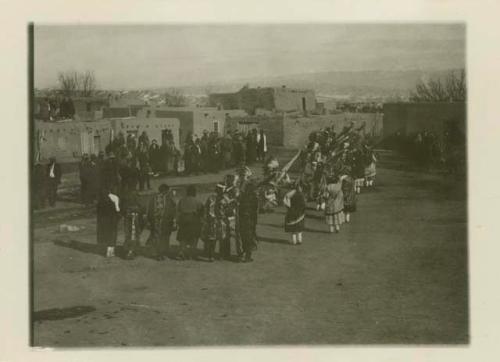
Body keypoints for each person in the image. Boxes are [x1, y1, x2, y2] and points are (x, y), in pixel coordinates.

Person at [147, 184, 177, 261]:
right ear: (166, 191)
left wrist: (150, 220)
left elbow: (150, 210)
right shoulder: (168, 199)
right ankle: (162, 253)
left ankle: (156, 253)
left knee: (156, 236)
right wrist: (173, 221)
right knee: (165, 237)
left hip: (155, 221)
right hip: (165, 221)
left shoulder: (153, 198)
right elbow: (172, 210)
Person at [176, 185, 204, 260]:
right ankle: (192, 252)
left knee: (183, 237)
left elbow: (178, 211)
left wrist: (178, 221)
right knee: (194, 236)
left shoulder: (181, 200)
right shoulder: (198, 201)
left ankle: (182, 251)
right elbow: (201, 212)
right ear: (194, 192)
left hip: (183, 220)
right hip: (193, 220)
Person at [202, 184, 228, 261]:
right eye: (220, 189)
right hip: (213, 220)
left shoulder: (225, 199)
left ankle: (220, 255)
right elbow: (206, 208)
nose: (222, 190)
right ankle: (211, 255)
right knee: (213, 238)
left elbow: (228, 209)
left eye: (222, 189)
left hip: (221, 220)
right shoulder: (211, 198)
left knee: (221, 239)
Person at [96, 186, 121, 257]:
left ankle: (106, 248)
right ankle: (110, 250)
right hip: (112, 216)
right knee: (112, 230)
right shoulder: (115, 197)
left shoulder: (100, 199)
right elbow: (117, 209)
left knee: (104, 230)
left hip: (103, 216)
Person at [238, 181, 259, 262]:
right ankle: (247, 256)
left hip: (242, 219)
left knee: (243, 237)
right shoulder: (254, 197)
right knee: (249, 238)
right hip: (250, 220)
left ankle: (243, 254)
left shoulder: (242, 197)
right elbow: (255, 210)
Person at [122, 189, 143, 260]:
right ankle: (131, 251)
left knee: (130, 234)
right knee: (133, 235)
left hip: (130, 220)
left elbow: (123, 211)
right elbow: (142, 209)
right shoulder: (137, 202)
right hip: (133, 220)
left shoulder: (126, 201)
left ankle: (130, 250)